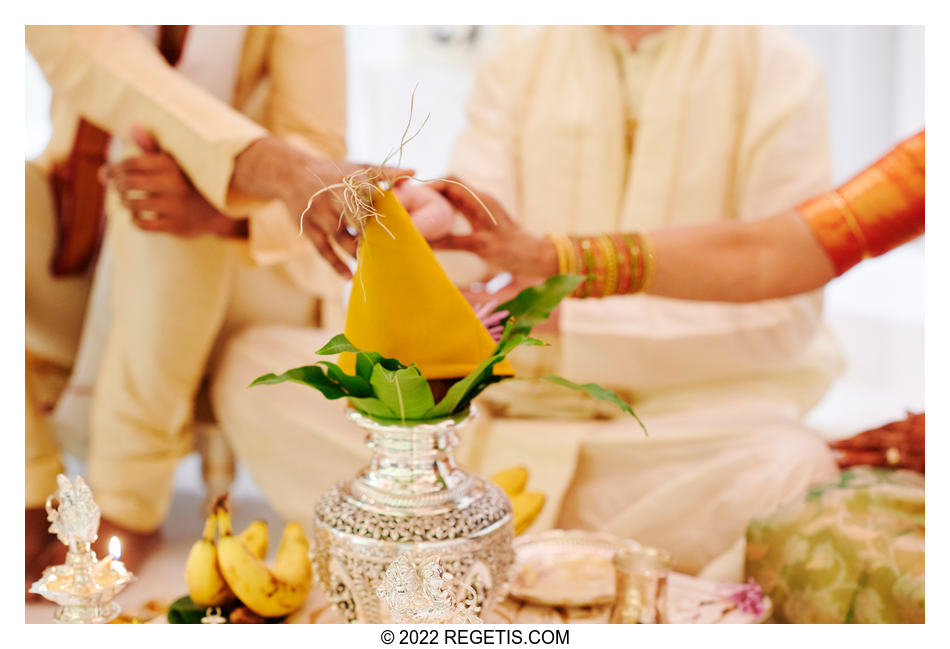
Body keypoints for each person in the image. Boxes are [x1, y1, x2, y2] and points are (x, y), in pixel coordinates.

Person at [208, 25, 845, 581]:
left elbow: (782, 318)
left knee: (790, 464)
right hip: (501, 406)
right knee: (252, 371)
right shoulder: (524, 47)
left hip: (667, 424)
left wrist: (565, 319)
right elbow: (479, 244)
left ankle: (459, 529)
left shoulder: (776, 65)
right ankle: (564, 544)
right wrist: (422, 222)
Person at [25, 25, 378, 586]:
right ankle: (24, 487)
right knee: (133, 162)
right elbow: (98, 59)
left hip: (246, 265)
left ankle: (125, 498)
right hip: (90, 244)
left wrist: (225, 206)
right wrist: (264, 163)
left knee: (160, 173)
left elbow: (317, 152)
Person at [408, 130, 924, 303]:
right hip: (525, 393)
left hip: (699, 404)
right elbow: (775, 252)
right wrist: (546, 257)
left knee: (789, 472)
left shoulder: (773, 56)